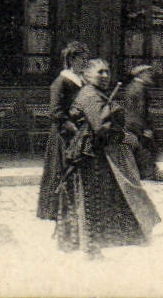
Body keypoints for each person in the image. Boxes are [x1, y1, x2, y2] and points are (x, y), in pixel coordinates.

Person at [54, 59, 161, 258]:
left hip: (99, 153)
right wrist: (124, 136)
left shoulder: (96, 93)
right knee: (89, 202)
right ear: (87, 75)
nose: (105, 76)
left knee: (97, 201)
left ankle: (91, 246)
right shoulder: (90, 95)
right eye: (100, 72)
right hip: (90, 155)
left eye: (107, 72)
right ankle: (90, 248)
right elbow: (102, 127)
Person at [39, 40, 91, 221]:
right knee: (61, 169)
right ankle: (54, 210)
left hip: (79, 133)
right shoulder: (61, 82)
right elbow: (55, 111)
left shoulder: (83, 82)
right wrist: (71, 126)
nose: (85, 63)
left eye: (87, 59)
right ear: (72, 60)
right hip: (64, 134)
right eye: (82, 59)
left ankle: (75, 208)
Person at [121, 64, 160, 183]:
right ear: (140, 74)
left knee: (137, 148)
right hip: (138, 124)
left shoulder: (131, 86)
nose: (151, 76)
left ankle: (139, 173)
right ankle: (147, 175)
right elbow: (141, 110)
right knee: (146, 149)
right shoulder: (140, 88)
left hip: (131, 123)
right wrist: (146, 128)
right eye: (148, 73)